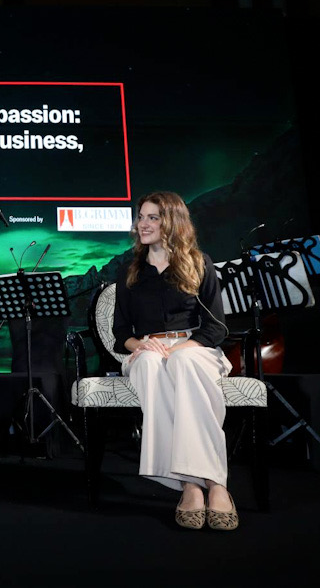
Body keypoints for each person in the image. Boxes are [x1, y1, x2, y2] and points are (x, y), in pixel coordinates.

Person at [112, 191, 238, 531]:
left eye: (152, 217)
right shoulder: (130, 271)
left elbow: (216, 326)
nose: (143, 224)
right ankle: (191, 484)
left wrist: (182, 348)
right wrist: (141, 345)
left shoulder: (199, 263)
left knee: (184, 363)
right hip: (148, 349)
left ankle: (213, 483)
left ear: (172, 222)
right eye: (141, 217)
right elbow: (120, 332)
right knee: (150, 364)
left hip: (194, 347)